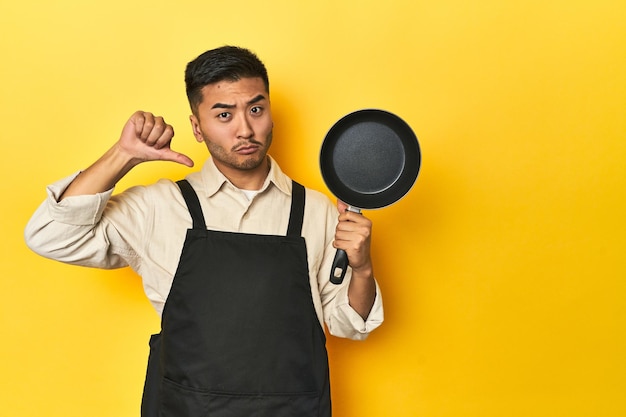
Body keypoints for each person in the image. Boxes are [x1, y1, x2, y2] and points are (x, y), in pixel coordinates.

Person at [24, 45, 383, 417]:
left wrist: (363, 268)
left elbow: (350, 323)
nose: (245, 129)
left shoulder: (317, 211)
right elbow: (50, 234)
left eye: (255, 110)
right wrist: (124, 154)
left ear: (271, 115)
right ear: (197, 127)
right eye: (224, 114)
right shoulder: (159, 207)